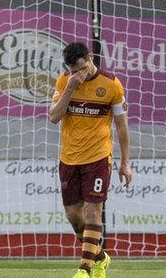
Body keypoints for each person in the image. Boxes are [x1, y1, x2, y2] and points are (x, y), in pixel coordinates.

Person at [49, 42, 133, 278]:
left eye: (82, 68)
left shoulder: (111, 84)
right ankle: (100, 257)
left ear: (91, 58)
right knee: (75, 217)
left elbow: (121, 124)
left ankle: (84, 269)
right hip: (69, 157)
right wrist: (70, 88)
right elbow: (54, 117)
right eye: (74, 70)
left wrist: (125, 161)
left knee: (94, 212)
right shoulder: (65, 81)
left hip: (98, 157)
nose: (79, 74)